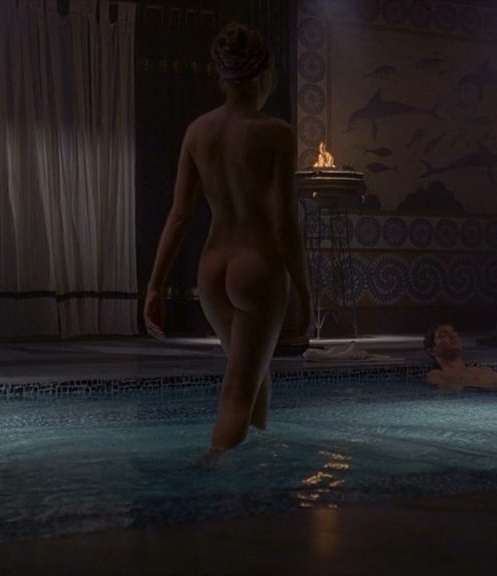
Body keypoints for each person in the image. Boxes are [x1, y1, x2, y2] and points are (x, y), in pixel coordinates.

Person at [144, 23, 312, 454]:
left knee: (253, 373)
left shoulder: (198, 131)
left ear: (223, 78)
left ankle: (251, 471)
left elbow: (180, 216)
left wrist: (155, 285)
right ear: (265, 75)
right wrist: (306, 291)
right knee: (237, 394)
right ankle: (211, 476)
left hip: (213, 269)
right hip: (257, 265)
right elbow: (284, 221)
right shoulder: (276, 133)